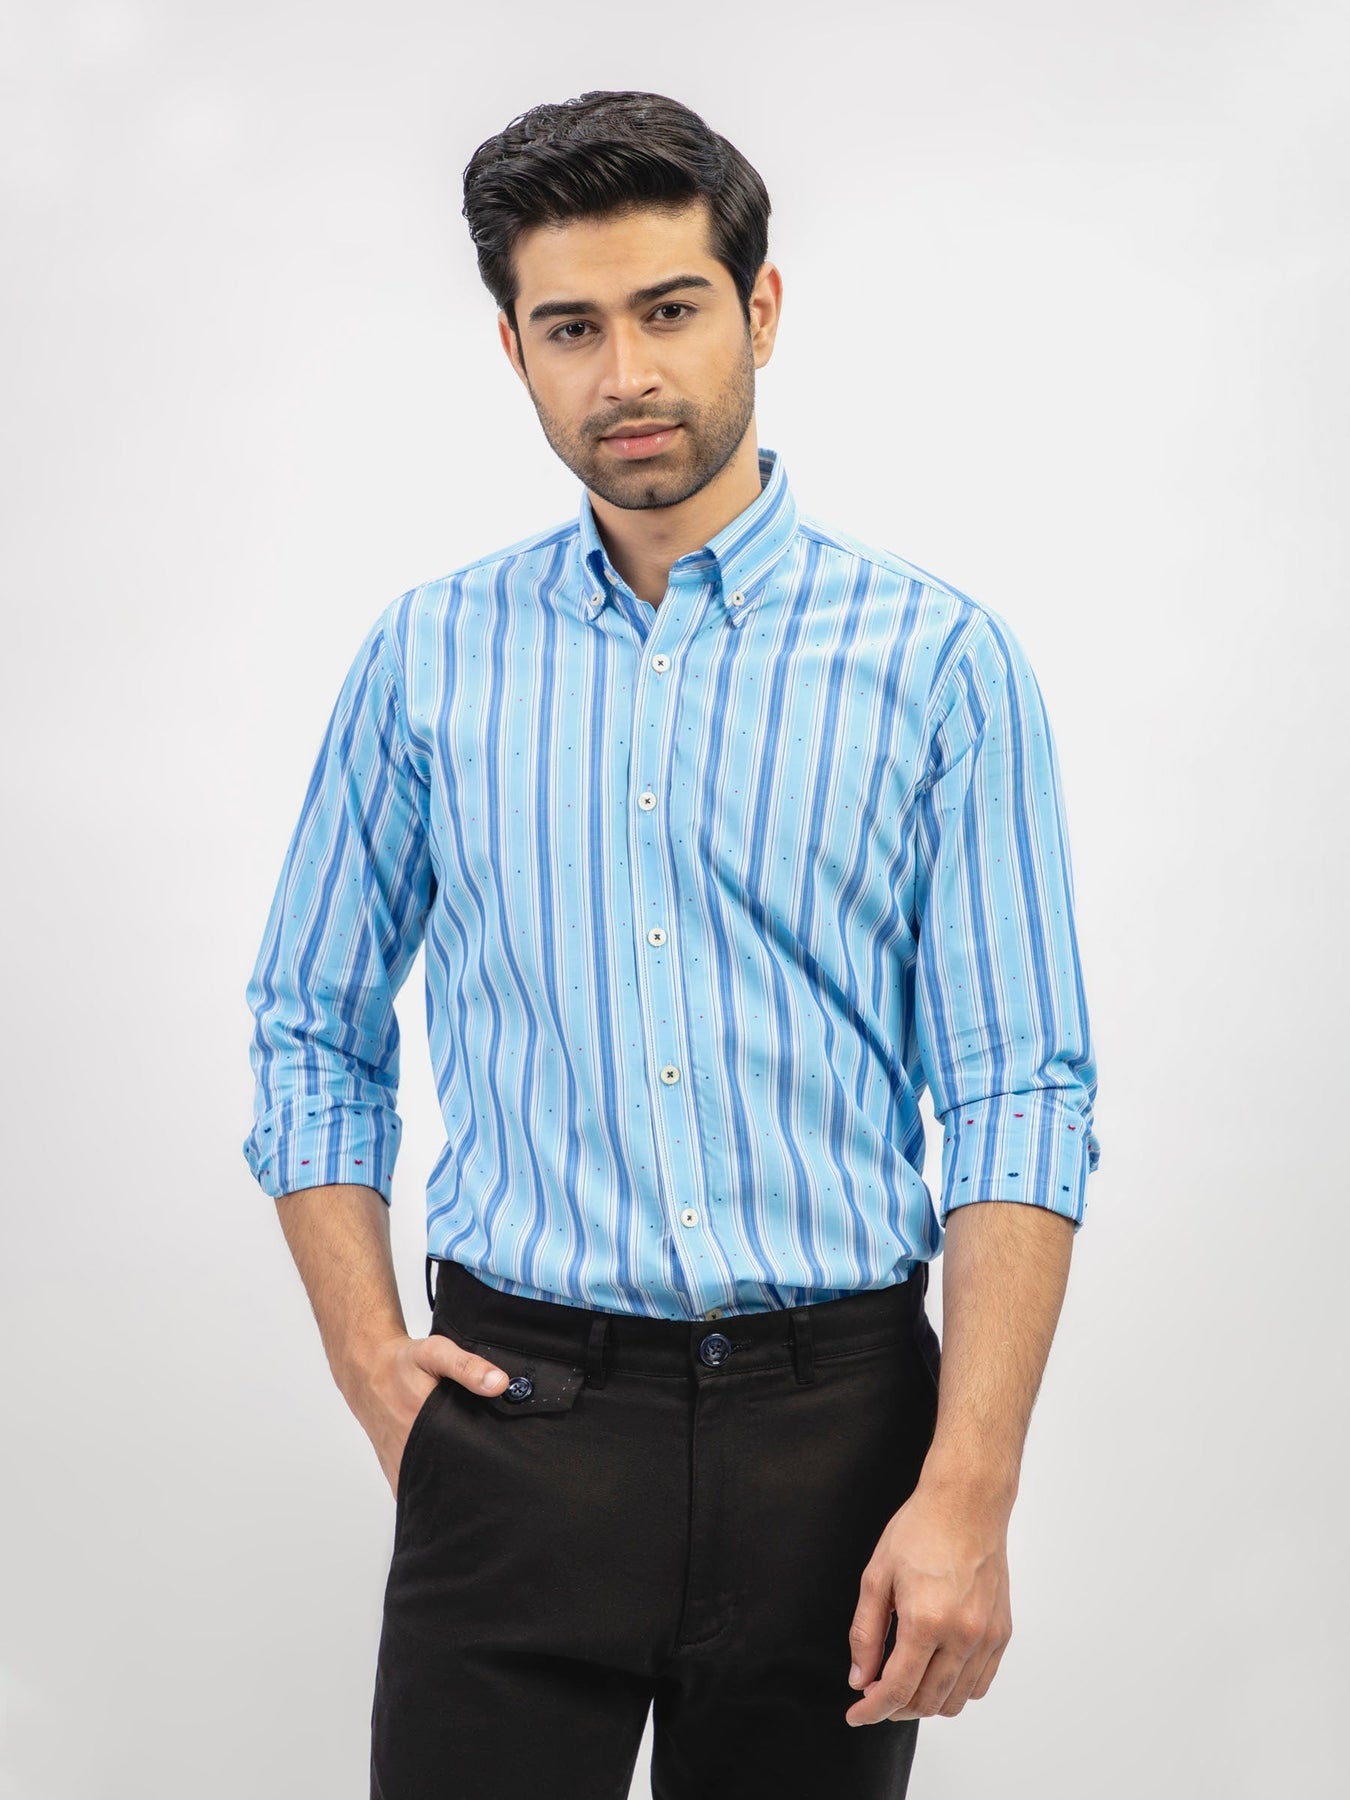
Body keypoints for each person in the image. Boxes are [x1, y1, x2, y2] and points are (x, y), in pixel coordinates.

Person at [242, 88, 1102, 1800]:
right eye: (572, 327)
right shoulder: (428, 658)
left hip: (836, 1436)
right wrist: (366, 1360)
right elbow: (309, 1024)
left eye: (668, 309)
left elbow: (1019, 1086)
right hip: (518, 1422)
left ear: (758, 310)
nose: (624, 373)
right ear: (514, 350)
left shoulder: (937, 661)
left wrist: (968, 1487)